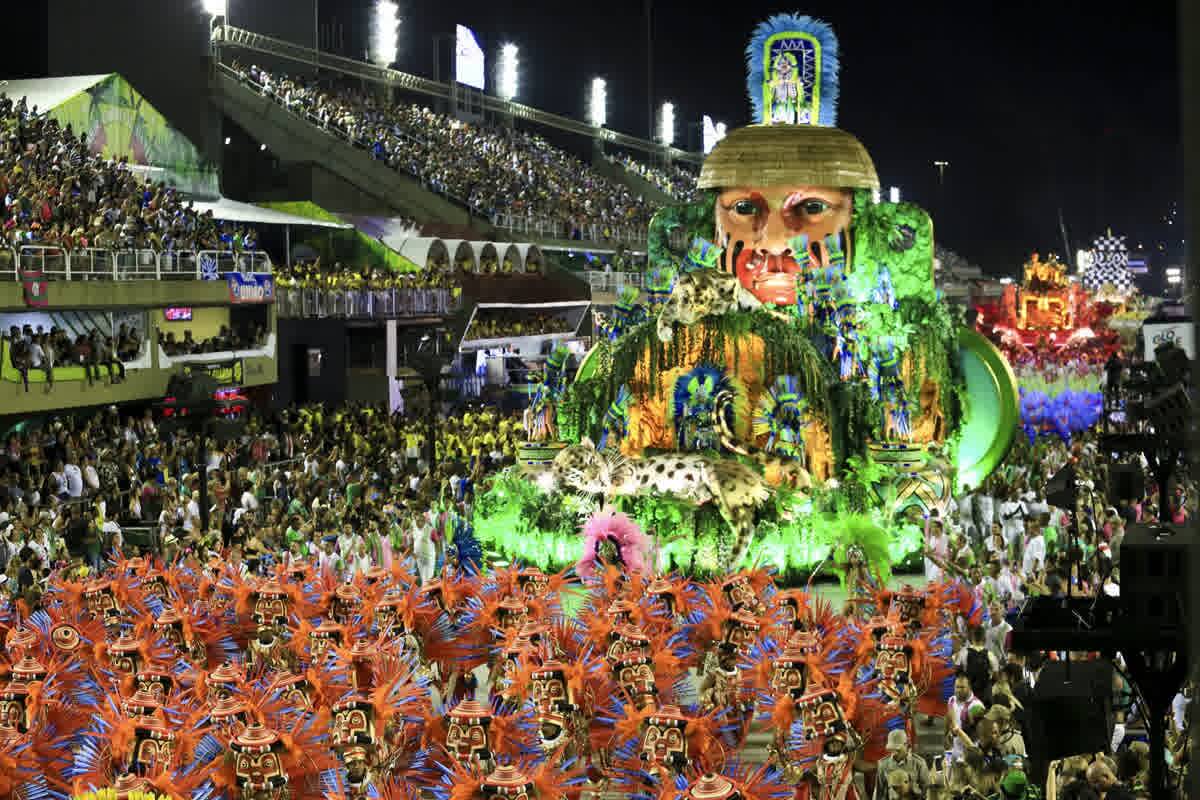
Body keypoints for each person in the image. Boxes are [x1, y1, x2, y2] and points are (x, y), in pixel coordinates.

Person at [875, 730, 930, 800]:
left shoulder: (919, 763)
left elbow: (926, 790)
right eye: (892, 749)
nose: (895, 753)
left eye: (898, 750)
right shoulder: (883, 764)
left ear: (906, 744)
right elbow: (879, 791)